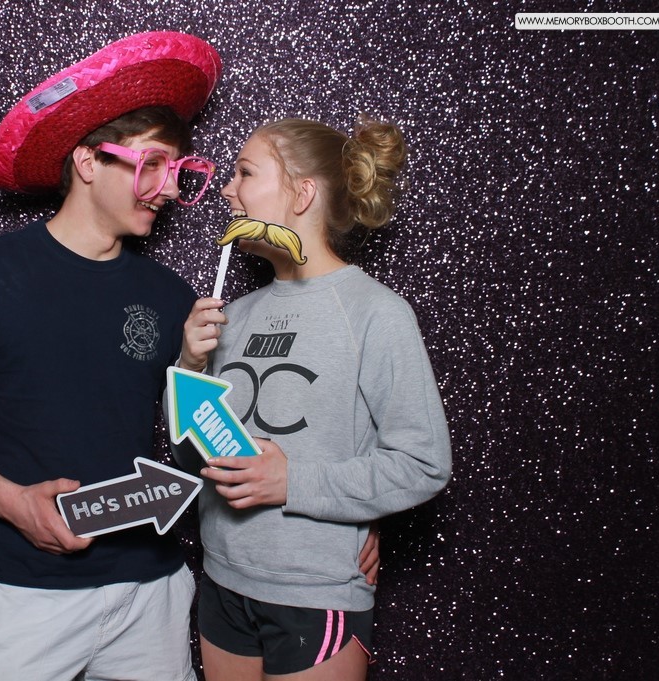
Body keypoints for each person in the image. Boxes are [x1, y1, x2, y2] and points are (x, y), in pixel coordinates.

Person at [0, 33, 222, 681]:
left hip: (151, 595)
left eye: (178, 172)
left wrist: (192, 366)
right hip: (28, 597)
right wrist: (13, 502)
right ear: (88, 161)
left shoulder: (172, 296)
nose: (166, 189)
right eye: (153, 164)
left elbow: (192, 444)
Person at [174, 116, 452, 681]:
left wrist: (292, 482)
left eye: (245, 173)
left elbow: (423, 464)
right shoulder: (233, 316)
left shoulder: (376, 313)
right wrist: (189, 365)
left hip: (313, 591)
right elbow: (191, 454)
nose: (226, 190)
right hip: (223, 578)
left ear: (302, 194)